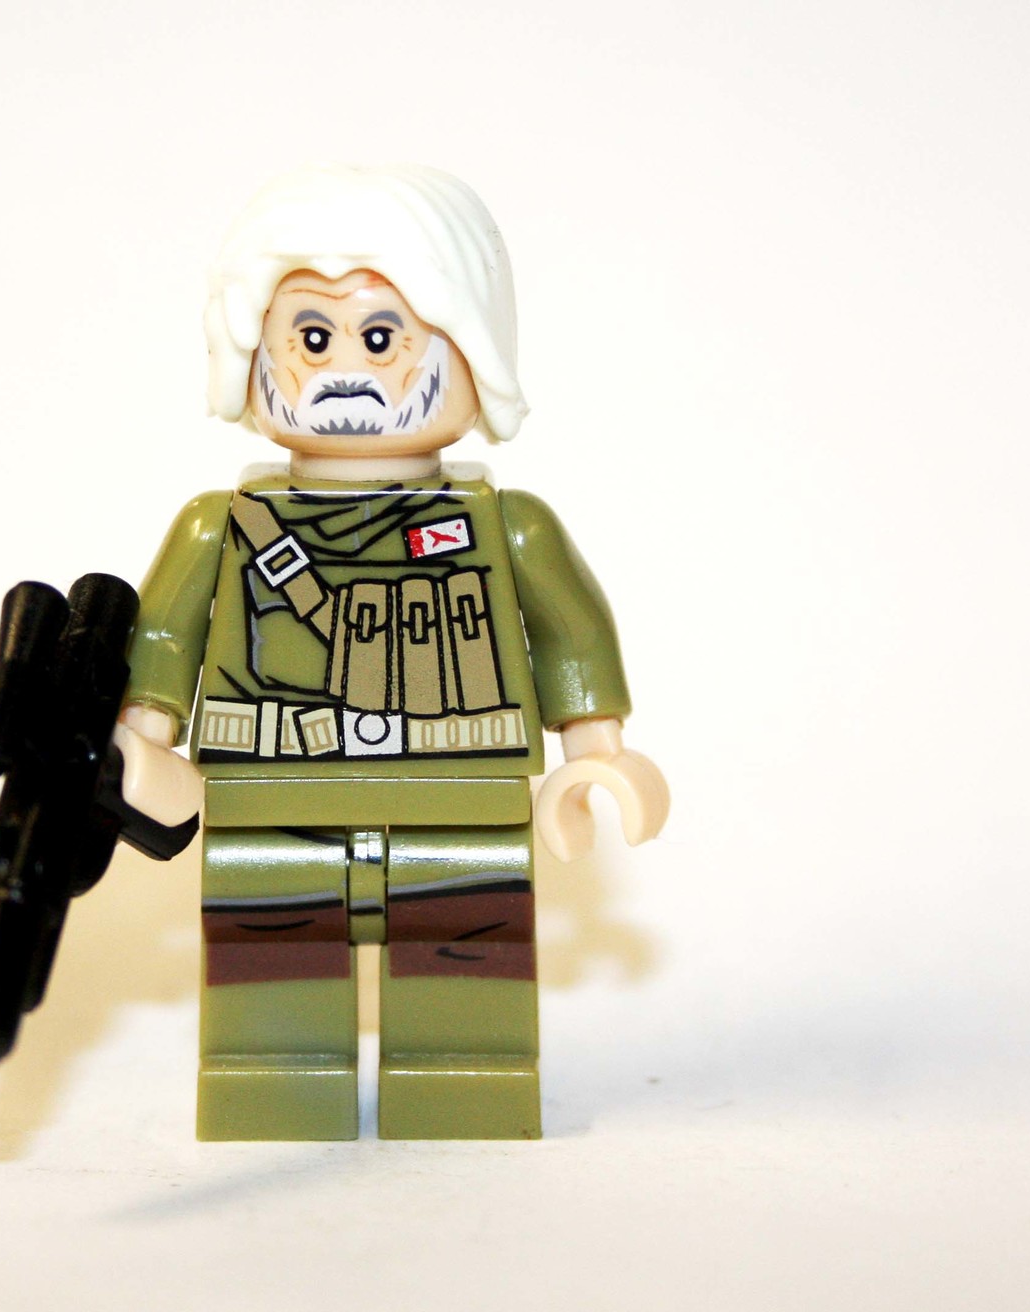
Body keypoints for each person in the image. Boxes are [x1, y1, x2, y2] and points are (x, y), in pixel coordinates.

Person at [116, 164, 668, 1140]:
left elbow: (569, 632)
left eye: (381, 337)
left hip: (460, 799)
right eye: (311, 337)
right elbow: (162, 638)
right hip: (269, 802)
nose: (346, 370)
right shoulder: (220, 528)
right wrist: (138, 744)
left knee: (465, 964)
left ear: (472, 347)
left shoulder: (508, 527)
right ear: (252, 350)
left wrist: (596, 756)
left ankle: (465, 1080)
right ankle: (272, 1083)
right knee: (271, 974)